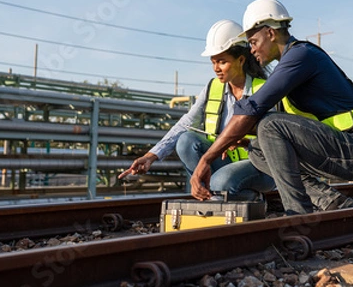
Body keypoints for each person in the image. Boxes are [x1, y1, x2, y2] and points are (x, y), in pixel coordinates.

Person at [190, 0, 353, 214]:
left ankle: (297, 212)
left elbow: (252, 108)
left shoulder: (301, 56)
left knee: (269, 126)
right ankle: (330, 201)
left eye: (253, 42)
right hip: (339, 151)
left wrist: (207, 159)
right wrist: (242, 140)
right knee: (257, 149)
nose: (251, 50)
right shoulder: (289, 66)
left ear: (270, 34)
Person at [118, 19, 275, 201]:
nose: (216, 68)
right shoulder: (212, 88)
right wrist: (151, 156)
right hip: (225, 162)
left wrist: (246, 143)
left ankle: (248, 198)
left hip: (259, 166)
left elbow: (275, 141)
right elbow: (186, 124)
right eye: (213, 62)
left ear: (241, 59)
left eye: (222, 62)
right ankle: (213, 196)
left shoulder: (264, 89)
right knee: (186, 141)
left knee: (220, 182)